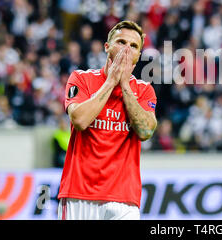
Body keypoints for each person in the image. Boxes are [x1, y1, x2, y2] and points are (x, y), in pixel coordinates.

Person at [57, 20, 158, 220]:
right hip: (79, 194)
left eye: (134, 46)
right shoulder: (81, 79)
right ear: (107, 47)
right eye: (121, 42)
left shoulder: (145, 90)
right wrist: (111, 82)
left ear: (138, 56)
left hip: (124, 199)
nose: (127, 49)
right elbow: (80, 120)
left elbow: (146, 131)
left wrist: (125, 86)